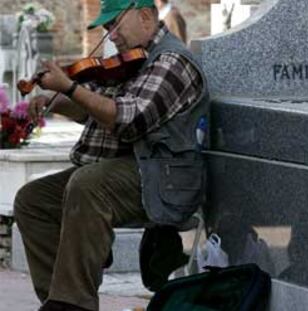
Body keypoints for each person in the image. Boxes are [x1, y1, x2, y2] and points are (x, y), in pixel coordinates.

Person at [13, 0, 209, 310]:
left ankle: (73, 303)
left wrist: (70, 87)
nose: (111, 35)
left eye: (114, 24)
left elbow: (128, 119)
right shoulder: (130, 63)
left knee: (89, 184)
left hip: (165, 180)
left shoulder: (173, 62)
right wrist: (58, 101)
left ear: (145, 16)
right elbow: (94, 110)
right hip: (129, 171)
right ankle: (58, 299)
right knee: (33, 200)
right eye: (106, 28)